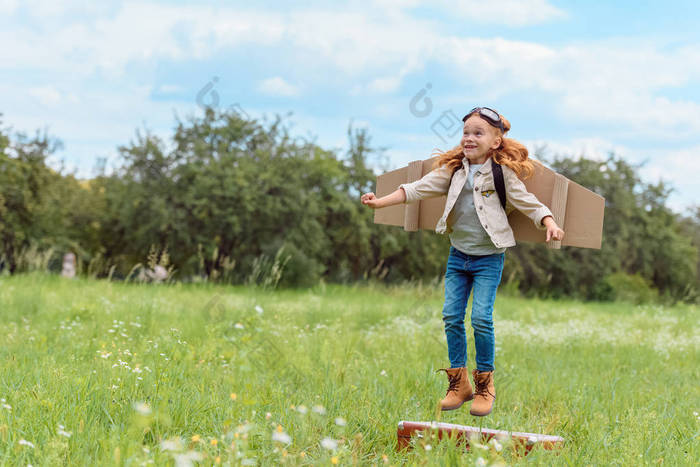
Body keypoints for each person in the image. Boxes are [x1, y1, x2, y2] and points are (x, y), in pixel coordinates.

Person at [360, 106, 564, 416]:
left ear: (495, 141)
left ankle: (485, 384)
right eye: (466, 132)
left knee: (481, 318)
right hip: (458, 257)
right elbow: (416, 190)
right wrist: (380, 203)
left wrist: (549, 222)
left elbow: (529, 203)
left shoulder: (501, 175)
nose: (469, 138)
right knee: (451, 316)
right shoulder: (453, 172)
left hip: (488, 260)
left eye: (478, 133)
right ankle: (459, 383)